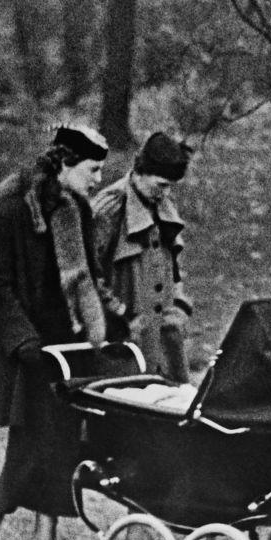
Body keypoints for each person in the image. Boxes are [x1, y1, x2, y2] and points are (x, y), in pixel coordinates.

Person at [0, 122, 126, 540]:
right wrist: (23, 340)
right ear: (64, 163)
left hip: (67, 345)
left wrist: (106, 325)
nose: (99, 179)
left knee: (60, 445)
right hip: (28, 348)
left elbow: (85, 278)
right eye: (93, 169)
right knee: (30, 446)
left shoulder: (73, 209)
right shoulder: (11, 205)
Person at [92, 131, 193, 382]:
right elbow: (88, 275)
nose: (165, 193)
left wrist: (179, 307)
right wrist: (120, 314)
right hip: (122, 337)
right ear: (139, 172)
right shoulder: (108, 209)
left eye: (170, 187)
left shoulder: (163, 206)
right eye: (160, 185)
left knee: (169, 405)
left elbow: (174, 266)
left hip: (164, 336)